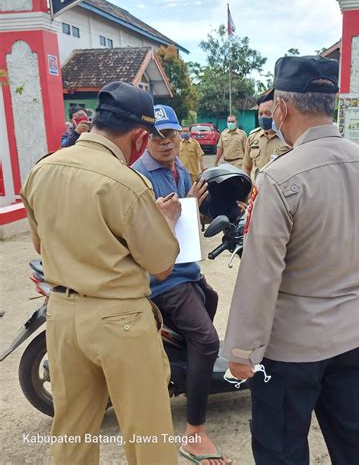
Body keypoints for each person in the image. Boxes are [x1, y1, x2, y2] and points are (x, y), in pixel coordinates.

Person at [223, 55, 359, 465]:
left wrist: (243, 351)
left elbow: (261, 274)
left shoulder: (280, 176)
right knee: (357, 443)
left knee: (281, 449)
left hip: (293, 347)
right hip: (356, 332)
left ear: (282, 108)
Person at [20, 81, 181, 465]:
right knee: (148, 436)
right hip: (119, 320)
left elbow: (41, 247)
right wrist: (166, 222)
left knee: (73, 429)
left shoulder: (43, 169)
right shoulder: (126, 183)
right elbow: (161, 266)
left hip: (61, 315)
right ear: (141, 138)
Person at [132, 104, 231, 465]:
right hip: (164, 278)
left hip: (186, 268)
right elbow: (138, 235)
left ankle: (180, 372)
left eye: (171, 134)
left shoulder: (179, 170)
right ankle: (195, 431)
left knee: (212, 299)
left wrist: (200, 209)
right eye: (158, 135)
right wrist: (169, 216)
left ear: (180, 135)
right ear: (145, 138)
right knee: (206, 339)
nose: (166, 141)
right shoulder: (138, 178)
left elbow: (188, 218)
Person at [243, 90, 290, 181]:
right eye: (260, 114)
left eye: (268, 114)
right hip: (254, 192)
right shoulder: (253, 137)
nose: (263, 117)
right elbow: (246, 167)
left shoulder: (288, 139)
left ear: (278, 112)